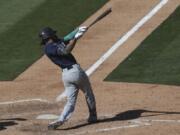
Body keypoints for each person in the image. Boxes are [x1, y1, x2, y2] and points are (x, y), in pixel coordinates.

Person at [39, 26, 97, 130]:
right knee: (88, 93)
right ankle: (93, 116)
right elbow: (66, 51)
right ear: (50, 36)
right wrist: (75, 39)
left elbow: (66, 38)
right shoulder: (50, 49)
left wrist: (78, 31)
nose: (56, 35)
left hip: (66, 76)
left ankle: (61, 119)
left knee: (70, 101)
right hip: (76, 72)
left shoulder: (53, 43)